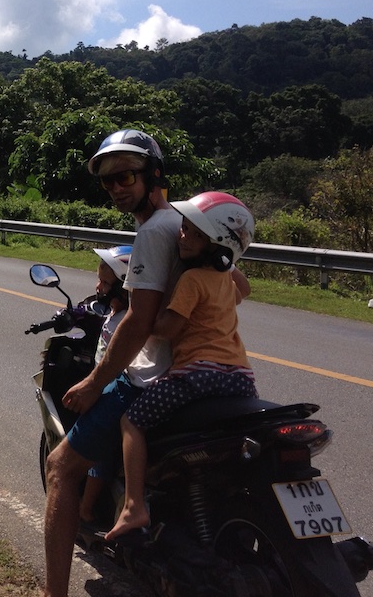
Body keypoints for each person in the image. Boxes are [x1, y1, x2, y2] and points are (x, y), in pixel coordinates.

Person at [42, 129, 250, 597]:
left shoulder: (156, 231)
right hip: (216, 372)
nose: (117, 186)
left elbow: (137, 322)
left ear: (153, 173)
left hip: (150, 378)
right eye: (109, 181)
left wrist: (95, 382)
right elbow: (238, 287)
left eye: (127, 175)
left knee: (60, 468)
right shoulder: (191, 227)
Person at [106, 192, 257, 539]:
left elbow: (168, 328)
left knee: (132, 421)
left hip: (198, 374)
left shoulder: (191, 280)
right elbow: (244, 288)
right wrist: (227, 263)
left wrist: (145, 320)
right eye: (184, 228)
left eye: (193, 232)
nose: (182, 235)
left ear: (215, 243)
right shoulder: (223, 281)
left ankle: (133, 506)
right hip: (240, 376)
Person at [79, 244, 131, 523]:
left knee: (96, 440)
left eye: (104, 281)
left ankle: (86, 510)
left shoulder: (127, 320)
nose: (98, 285)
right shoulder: (117, 310)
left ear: (122, 286)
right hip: (110, 380)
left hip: (115, 385)